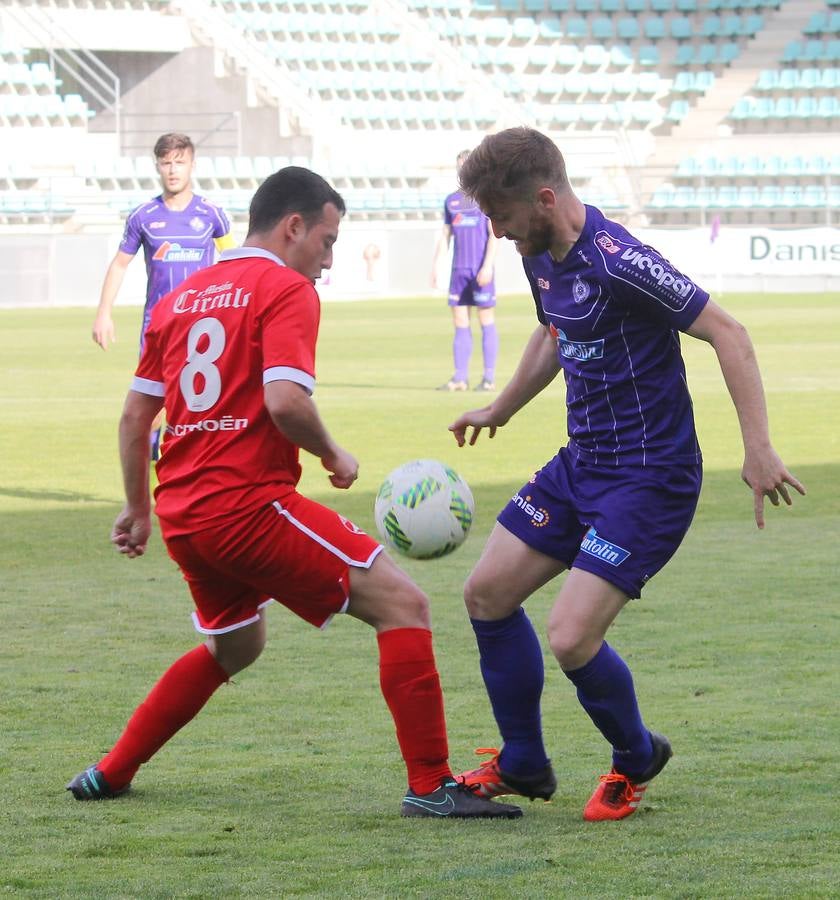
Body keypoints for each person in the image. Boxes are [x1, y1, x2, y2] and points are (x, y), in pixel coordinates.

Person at [67, 166, 521, 821]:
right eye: (328, 241)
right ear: (293, 226)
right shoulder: (284, 289)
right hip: (247, 505)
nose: (329, 260)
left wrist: (138, 508)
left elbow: (137, 417)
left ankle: (110, 772)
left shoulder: (180, 298)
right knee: (405, 605)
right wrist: (333, 453)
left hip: (185, 516)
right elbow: (285, 401)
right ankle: (431, 785)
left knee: (235, 646)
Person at [447, 128, 805, 821]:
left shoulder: (622, 262)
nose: (494, 233)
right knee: (486, 593)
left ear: (545, 199)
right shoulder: (540, 251)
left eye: (501, 216)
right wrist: (503, 407)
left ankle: (636, 755)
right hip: (582, 464)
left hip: (650, 479)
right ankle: (523, 761)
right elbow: (555, 330)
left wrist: (757, 447)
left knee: (570, 635)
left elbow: (727, 333)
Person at [91, 132, 234, 459]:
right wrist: (103, 313)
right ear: (157, 166)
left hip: (203, 328)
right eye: (166, 163)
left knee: (203, 404)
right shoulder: (143, 216)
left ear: (192, 166)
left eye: (179, 162)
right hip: (157, 327)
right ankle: (150, 466)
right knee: (151, 407)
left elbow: (232, 264)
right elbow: (119, 265)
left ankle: (195, 466)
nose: (173, 170)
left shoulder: (212, 215)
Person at [431, 149, 499, 393]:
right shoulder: (452, 201)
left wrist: (488, 265)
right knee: (460, 321)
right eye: (460, 165)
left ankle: (489, 378)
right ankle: (460, 378)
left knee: (485, 320)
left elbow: (494, 236)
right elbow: (445, 235)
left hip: (480, 270)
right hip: (458, 271)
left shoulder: (486, 199)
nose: (463, 170)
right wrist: (436, 265)